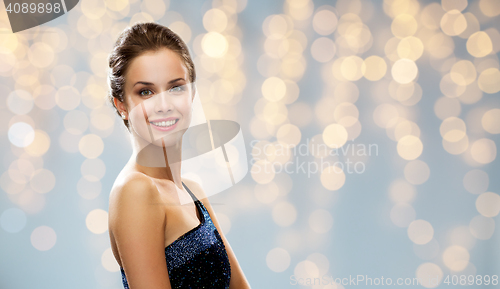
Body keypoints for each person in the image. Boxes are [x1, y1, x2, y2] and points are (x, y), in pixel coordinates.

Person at [106, 22, 251, 289]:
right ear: (122, 105)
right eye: (145, 92)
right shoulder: (135, 191)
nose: (164, 105)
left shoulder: (192, 189)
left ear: (192, 95)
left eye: (175, 88)